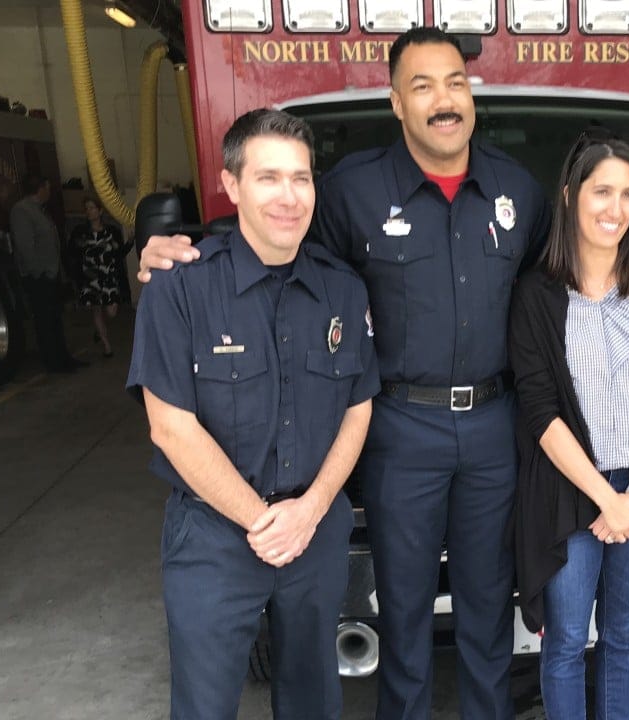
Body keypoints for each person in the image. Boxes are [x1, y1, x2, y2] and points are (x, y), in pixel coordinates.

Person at [138, 28, 549, 720]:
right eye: (421, 86)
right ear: (396, 102)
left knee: (488, 609)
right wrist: (183, 249)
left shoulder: (520, 190)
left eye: (454, 82)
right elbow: (274, 243)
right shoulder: (350, 191)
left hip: (492, 427)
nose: (442, 100)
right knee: (405, 613)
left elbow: (561, 286)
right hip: (397, 424)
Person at [126, 108, 380, 719]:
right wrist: (264, 521)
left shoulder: (342, 289)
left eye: (301, 178)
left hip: (314, 531)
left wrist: (310, 511)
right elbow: (170, 427)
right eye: (268, 178)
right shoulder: (178, 287)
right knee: (206, 705)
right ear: (232, 184)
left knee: (314, 701)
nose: (289, 197)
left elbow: (358, 405)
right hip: (213, 535)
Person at [508, 131, 629, 720]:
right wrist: (602, 500)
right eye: (601, 191)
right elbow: (539, 409)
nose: (615, 209)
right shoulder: (536, 293)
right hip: (569, 493)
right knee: (564, 642)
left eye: (628, 195)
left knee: (623, 637)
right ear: (569, 195)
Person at [10, 174, 84, 372]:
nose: (50, 192)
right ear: (40, 189)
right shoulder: (22, 211)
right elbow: (26, 247)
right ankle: (52, 362)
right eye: (48, 188)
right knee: (44, 322)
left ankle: (63, 358)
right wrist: (39, 273)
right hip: (39, 278)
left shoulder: (41, 210)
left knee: (55, 320)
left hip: (51, 275)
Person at [70, 196, 129, 357]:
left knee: (112, 311)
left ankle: (100, 330)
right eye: (87, 208)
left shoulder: (111, 231)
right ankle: (106, 345)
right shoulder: (81, 232)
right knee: (96, 308)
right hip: (91, 276)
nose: (89, 211)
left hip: (108, 274)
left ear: (100, 210)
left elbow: (119, 252)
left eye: (92, 208)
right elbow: (72, 252)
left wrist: (129, 243)